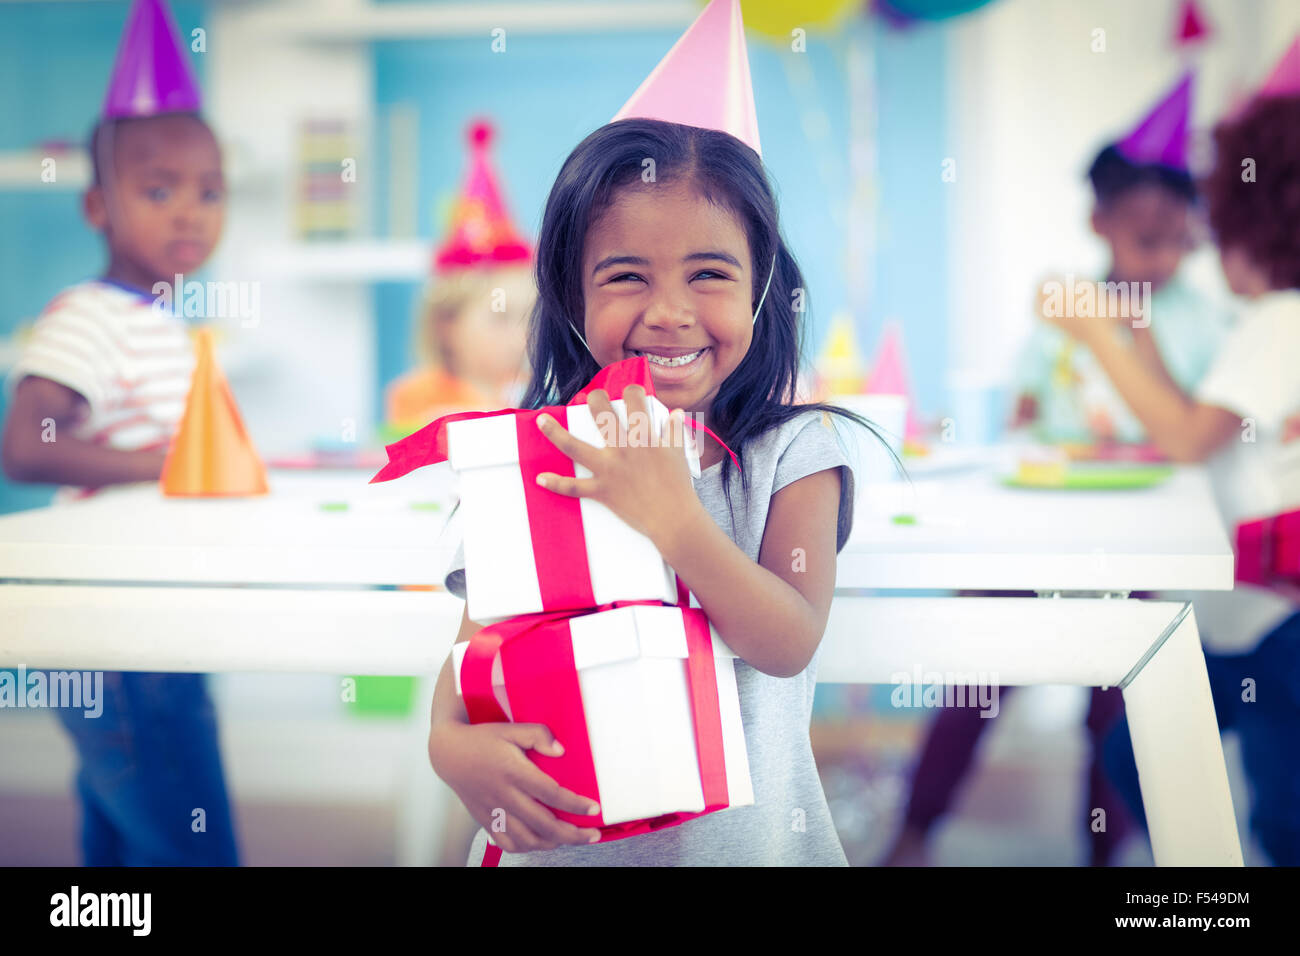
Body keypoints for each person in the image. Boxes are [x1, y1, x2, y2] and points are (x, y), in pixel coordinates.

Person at [884, 80, 1231, 868]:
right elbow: (1028, 410)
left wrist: (1134, 333)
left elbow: (1187, 426)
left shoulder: (1200, 320)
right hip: (1040, 535)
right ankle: (912, 833)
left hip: (1135, 544)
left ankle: (1104, 855)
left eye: (1180, 240)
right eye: (1146, 239)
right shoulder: (1065, 307)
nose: (1165, 257)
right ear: (1099, 224)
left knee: (1116, 707)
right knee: (977, 678)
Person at [0, 1, 239, 866]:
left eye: (209, 191)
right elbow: (25, 445)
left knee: (122, 837)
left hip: (156, 614)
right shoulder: (86, 316)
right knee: (186, 841)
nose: (190, 213)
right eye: (158, 189)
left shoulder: (163, 321)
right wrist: (162, 464)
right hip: (115, 624)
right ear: (99, 205)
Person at [1043, 88, 1300, 865]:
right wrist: (1136, 337)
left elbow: (1187, 436)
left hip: (1274, 622)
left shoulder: (1279, 319)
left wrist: (1094, 333)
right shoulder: (1270, 324)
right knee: (1143, 755)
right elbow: (1194, 413)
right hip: (1249, 620)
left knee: (1278, 804)